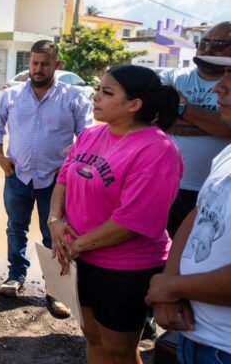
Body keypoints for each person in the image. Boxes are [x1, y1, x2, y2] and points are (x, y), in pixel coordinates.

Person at [50, 65, 183, 364]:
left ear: (134, 105)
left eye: (106, 93)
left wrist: (75, 246)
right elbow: (63, 179)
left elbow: (132, 222)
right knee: (93, 338)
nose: (95, 97)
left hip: (125, 269)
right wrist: (54, 222)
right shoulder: (90, 136)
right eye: (97, 89)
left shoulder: (157, 149)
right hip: (81, 259)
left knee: (119, 351)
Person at [0, 40, 93, 317]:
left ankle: (55, 291)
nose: (38, 68)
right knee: (16, 227)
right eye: (34, 63)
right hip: (17, 175)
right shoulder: (12, 96)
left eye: (45, 64)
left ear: (56, 65)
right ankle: (16, 276)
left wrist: (70, 171)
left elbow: (87, 138)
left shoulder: (73, 97)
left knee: (55, 234)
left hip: (57, 182)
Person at [146, 53, 231, 364]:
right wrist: (171, 285)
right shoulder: (227, 155)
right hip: (195, 335)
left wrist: (169, 287)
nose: (218, 89)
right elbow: (200, 213)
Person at [160, 22, 231, 237]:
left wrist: (181, 107)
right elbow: (155, 119)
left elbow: (228, 128)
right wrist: (212, 124)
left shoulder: (227, 84)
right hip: (164, 184)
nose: (208, 49)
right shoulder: (172, 77)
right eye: (203, 43)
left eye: (218, 44)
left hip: (212, 191)